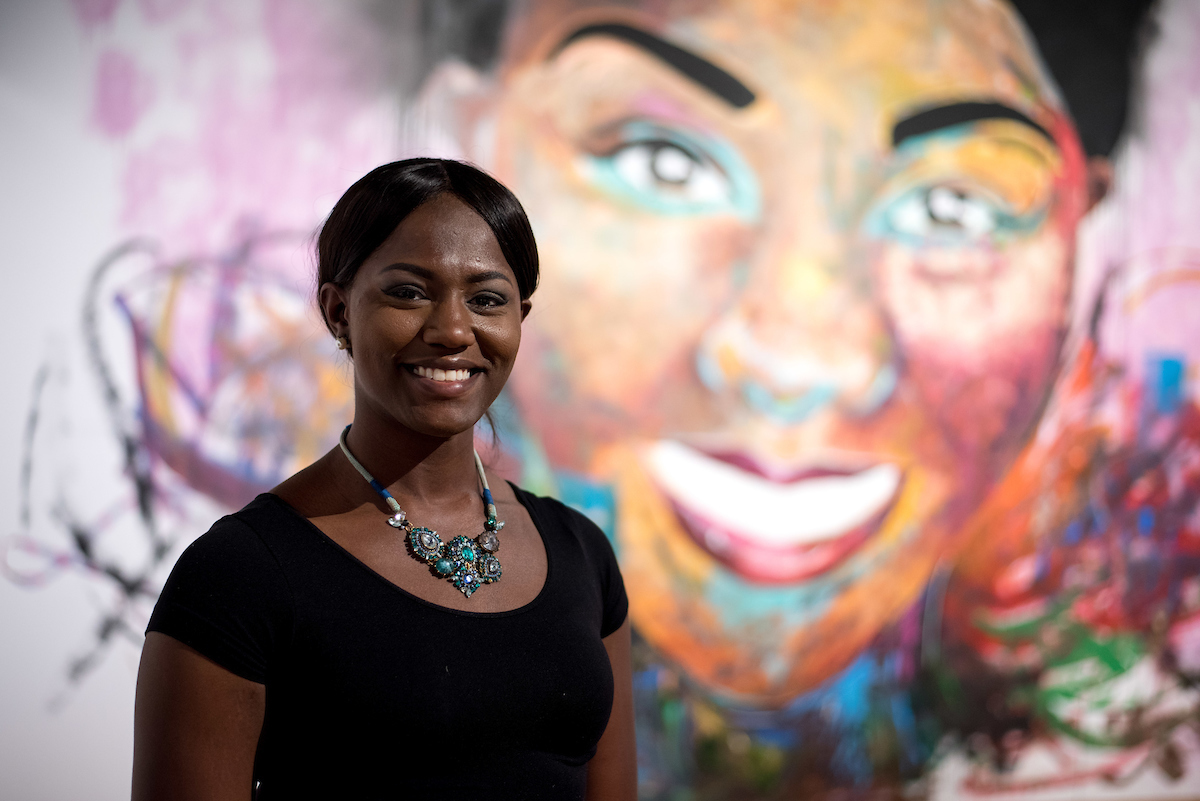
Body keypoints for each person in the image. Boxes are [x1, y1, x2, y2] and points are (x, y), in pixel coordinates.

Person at [131, 158, 637, 800]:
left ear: (520, 318)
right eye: (408, 293)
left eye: (486, 300)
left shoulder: (581, 555)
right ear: (338, 311)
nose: (453, 331)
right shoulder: (241, 574)